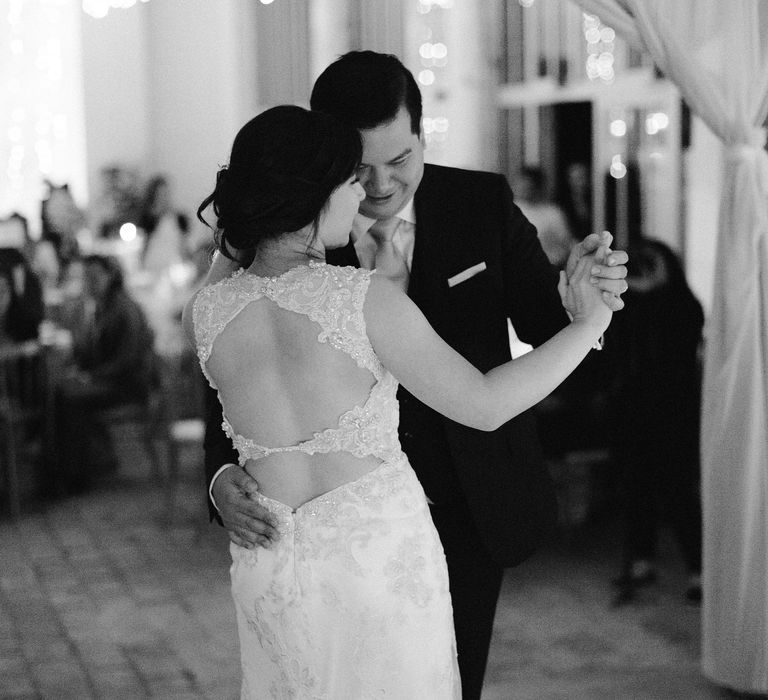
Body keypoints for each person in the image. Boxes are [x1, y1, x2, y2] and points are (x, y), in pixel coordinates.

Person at [202, 51, 628, 699]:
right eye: (356, 170)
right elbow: (225, 391)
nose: (374, 187)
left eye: (398, 161)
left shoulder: (479, 203)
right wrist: (218, 478)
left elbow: (547, 322)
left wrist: (577, 310)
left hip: (468, 501)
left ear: (423, 136)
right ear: (325, 167)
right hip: (346, 532)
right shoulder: (337, 273)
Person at [606, 239, 703, 605]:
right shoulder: (634, 304)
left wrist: (650, 292)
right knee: (637, 488)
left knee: (678, 491)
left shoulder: (681, 304)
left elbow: (679, 342)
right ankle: (641, 561)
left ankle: (698, 568)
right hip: (635, 409)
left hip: (673, 411)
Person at [55, 254, 157, 491]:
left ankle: (76, 477)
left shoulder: (124, 307)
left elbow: (128, 360)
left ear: (110, 276)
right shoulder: (100, 307)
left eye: (94, 277)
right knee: (59, 392)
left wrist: (91, 376)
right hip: (111, 381)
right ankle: (72, 468)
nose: (89, 283)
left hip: (129, 386)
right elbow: (91, 353)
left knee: (70, 400)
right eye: (86, 277)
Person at [512, 165, 576, 268]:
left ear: (536, 187)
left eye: (527, 186)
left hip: (548, 269)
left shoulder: (553, 213)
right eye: (520, 184)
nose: (522, 189)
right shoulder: (509, 211)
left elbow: (567, 244)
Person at [138, 174, 190, 278]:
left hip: (173, 264)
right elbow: (144, 241)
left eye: (166, 193)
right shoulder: (148, 218)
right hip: (153, 261)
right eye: (160, 194)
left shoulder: (179, 218)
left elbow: (183, 242)